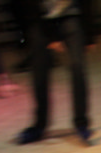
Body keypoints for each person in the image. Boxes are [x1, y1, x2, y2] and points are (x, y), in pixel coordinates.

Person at [13, 0, 94, 145]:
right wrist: (51, 35)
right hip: (41, 19)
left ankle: (81, 123)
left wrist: (89, 33)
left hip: (70, 16)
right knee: (40, 72)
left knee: (78, 68)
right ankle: (39, 125)